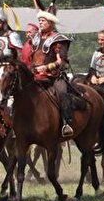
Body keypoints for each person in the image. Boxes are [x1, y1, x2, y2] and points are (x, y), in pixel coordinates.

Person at [29, 8, 75, 137]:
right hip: (34, 76)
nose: (40, 23)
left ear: (50, 22)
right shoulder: (35, 38)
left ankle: (66, 123)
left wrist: (47, 67)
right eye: (39, 20)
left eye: (43, 20)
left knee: (62, 93)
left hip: (53, 77)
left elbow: (61, 62)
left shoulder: (58, 39)